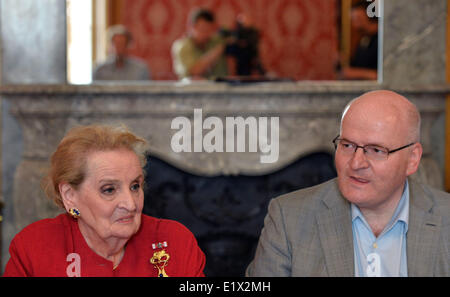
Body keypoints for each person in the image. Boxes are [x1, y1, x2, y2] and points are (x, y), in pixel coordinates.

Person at [246, 90, 450, 277]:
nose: (356, 163)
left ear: (412, 159)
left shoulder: (445, 219)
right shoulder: (288, 219)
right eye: (347, 145)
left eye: (376, 150)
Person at [3, 125, 205, 276]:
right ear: (70, 196)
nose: (131, 204)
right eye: (109, 190)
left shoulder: (175, 242)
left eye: (135, 186)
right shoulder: (34, 249)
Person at [171, 8, 228, 80]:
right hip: (190, 89)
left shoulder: (216, 41)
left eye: (210, 30)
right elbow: (194, 71)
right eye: (203, 29)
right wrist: (217, 51)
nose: (206, 34)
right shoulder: (182, 46)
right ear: (192, 27)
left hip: (219, 88)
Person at [340, 2, 378, 80]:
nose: (354, 22)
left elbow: (382, 75)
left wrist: (356, 73)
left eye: (356, 18)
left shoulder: (380, 40)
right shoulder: (364, 39)